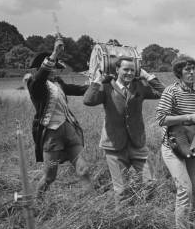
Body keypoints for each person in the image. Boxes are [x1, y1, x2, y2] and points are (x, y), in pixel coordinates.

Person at [83, 56, 164, 206]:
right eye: (126, 69)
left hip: (137, 143)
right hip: (114, 145)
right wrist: (97, 79)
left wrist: (147, 76)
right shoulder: (106, 87)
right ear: (117, 70)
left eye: (132, 70)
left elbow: (164, 93)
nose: (129, 73)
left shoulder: (139, 86)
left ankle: (145, 214)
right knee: (121, 190)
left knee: (150, 183)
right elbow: (88, 100)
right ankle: (121, 222)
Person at [155, 55, 195, 229]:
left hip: (192, 145)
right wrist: (189, 117)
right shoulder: (171, 92)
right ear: (179, 72)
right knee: (185, 189)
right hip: (172, 147)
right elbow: (161, 119)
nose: (191, 72)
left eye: (193, 69)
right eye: (187, 69)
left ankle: (190, 224)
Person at [26, 37, 92, 197]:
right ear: (38, 68)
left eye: (55, 66)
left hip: (69, 131)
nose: (54, 69)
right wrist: (55, 52)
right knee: (50, 176)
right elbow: (41, 76)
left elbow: (77, 89)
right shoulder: (35, 84)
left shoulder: (58, 83)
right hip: (51, 136)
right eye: (51, 66)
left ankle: (91, 203)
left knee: (83, 169)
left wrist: (96, 84)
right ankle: (37, 201)